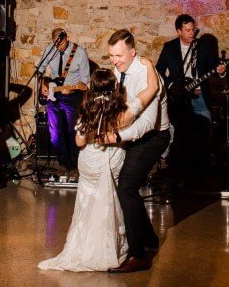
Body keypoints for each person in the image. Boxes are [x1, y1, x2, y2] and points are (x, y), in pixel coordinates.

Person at [38, 63, 160, 272]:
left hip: (90, 162)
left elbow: (79, 142)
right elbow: (143, 105)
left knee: (88, 203)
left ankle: (86, 245)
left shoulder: (86, 110)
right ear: (114, 89)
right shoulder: (122, 112)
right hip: (112, 160)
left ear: (92, 88)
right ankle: (112, 245)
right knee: (112, 202)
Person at [103, 29, 171, 273]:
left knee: (126, 188)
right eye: (111, 55)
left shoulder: (146, 74)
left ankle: (138, 256)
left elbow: (146, 123)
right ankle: (150, 239)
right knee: (127, 188)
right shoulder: (116, 72)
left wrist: (118, 136)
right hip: (131, 134)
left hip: (153, 137)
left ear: (133, 52)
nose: (115, 61)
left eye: (119, 55)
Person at [155, 14, 226, 178]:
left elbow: (214, 67)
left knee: (205, 130)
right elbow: (158, 71)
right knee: (182, 134)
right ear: (179, 31)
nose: (191, 33)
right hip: (179, 98)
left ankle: (200, 171)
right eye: (187, 30)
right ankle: (181, 171)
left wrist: (221, 72)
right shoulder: (170, 47)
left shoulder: (204, 47)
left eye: (193, 29)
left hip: (201, 96)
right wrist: (172, 87)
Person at [38, 28, 90, 177]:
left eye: (60, 44)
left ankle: (74, 165)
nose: (58, 47)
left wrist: (73, 88)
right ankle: (63, 163)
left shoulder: (79, 53)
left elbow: (85, 80)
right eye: (56, 44)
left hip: (72, 95)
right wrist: (43, 84)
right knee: (55, 132)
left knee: (72, 130)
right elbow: (40, 70)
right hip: (54, 95)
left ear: (66, 37)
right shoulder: (51, 49)